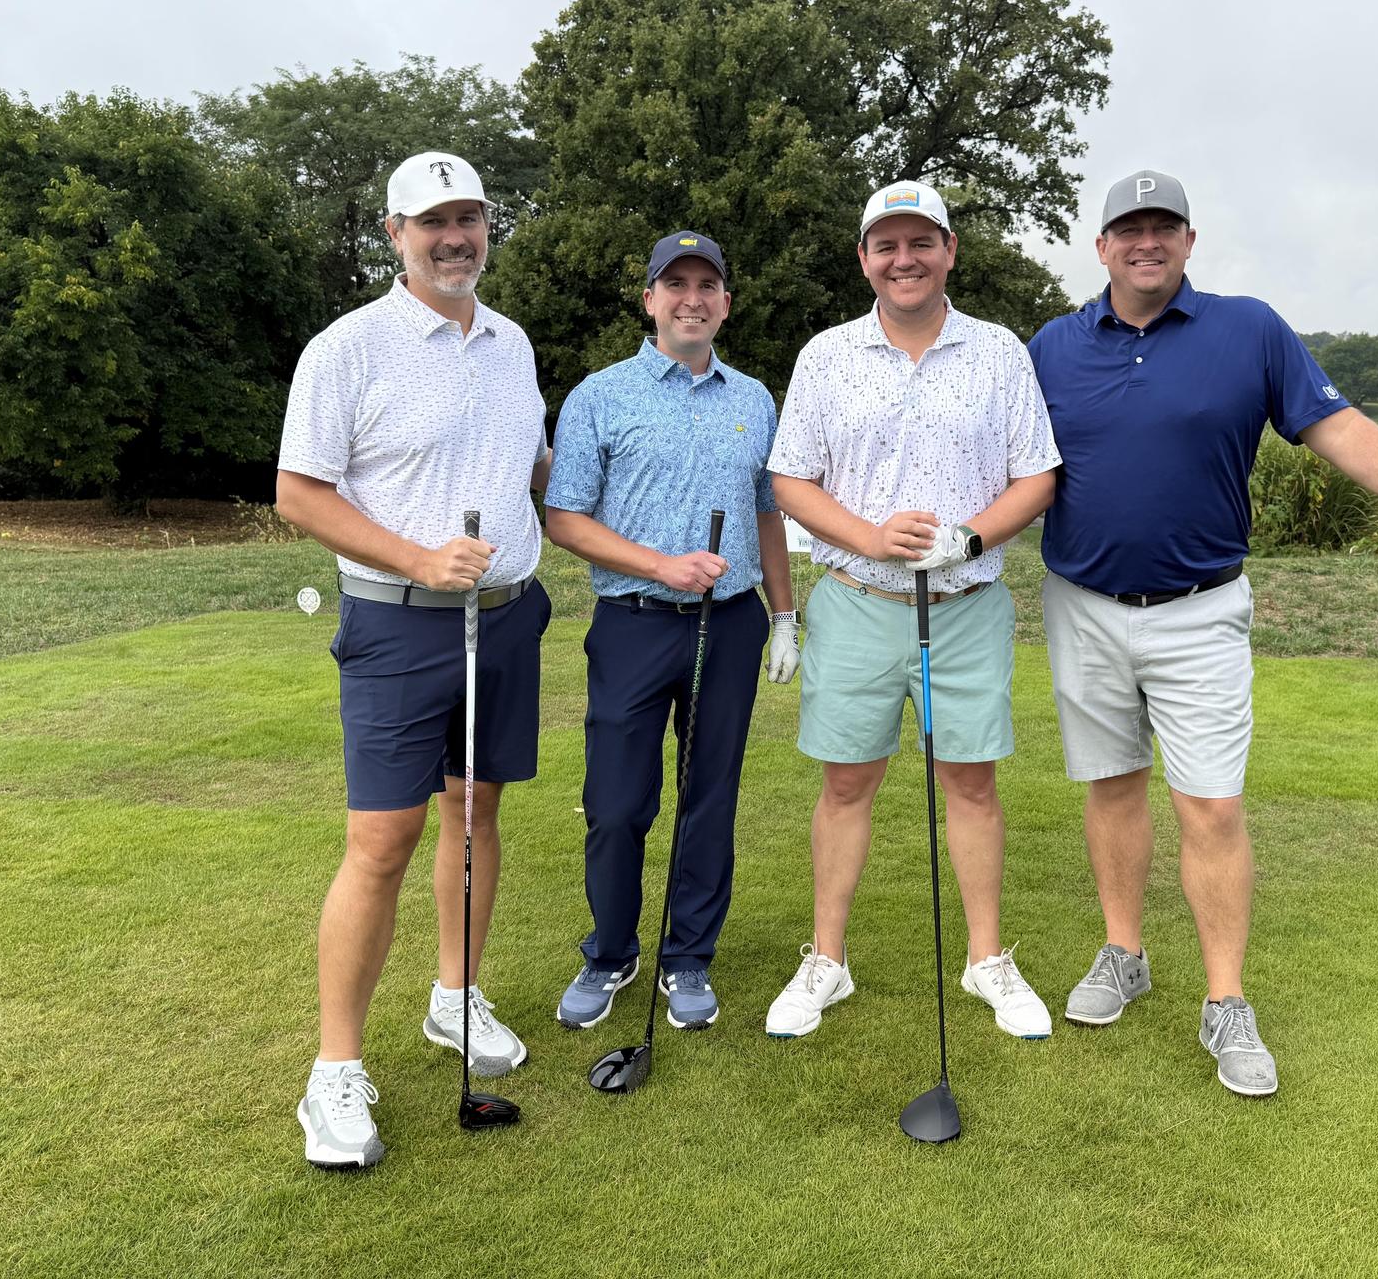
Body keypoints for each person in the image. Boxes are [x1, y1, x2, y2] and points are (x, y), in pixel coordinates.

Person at [1027, 168, 1378, 1097]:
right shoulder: (1052, 346)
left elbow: (1336, 425)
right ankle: (1123, 952)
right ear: (1102, 247)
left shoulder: (1249, 329)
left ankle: (1225, 1003)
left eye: (1165, 228)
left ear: (1190, 242)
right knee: (1112, 786)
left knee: (1210, 804)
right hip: (1081, 606)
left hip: (1201, 611)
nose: (1147, 243)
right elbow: (1001, 459)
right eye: (1130, 229)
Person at [276, 151, 553, 1169]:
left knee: (475, 813)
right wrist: (418, 559)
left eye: (470, 217)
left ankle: (456, 996)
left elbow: (520, 467)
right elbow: (300, 493)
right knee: (382, 837)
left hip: (508, 617)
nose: (455, 236)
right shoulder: (348, 348)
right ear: (393, 233)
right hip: (399, 623)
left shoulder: (512, 343)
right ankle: (334, 1073)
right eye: (433, 220)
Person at [764, 181, 1061, 1041]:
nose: (904, 259)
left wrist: (969, 538)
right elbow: (790, 477)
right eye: (886, 245)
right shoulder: (826, 354)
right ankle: (828, 959)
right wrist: (865, 536)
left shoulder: (999, 351)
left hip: (966, 605)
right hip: (856, 602)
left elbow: (1037, 473)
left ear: (949, 250)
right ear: (864, 259)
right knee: (846, 781)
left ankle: (987, 961)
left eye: (920, 242)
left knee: (970, 780)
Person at [543, 231, 798, 1032]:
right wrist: (660, 565)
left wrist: (785, 616)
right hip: (633, 623)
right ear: (649, 298)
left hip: (729, 628)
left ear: (725, 300)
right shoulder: (600, 396)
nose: (692, 298)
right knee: (616, 804)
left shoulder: (755, 400)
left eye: (707, 284)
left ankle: (687, 957)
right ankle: (612, 949)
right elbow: (565, 518)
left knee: (708, 797)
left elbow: (767, 515)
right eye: (674, 284)